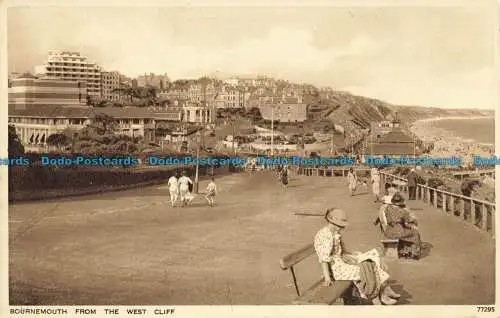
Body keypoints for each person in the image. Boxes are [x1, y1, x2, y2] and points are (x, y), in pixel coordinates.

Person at [314, 208, 401, 305]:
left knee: (372, 259)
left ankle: (383, 291)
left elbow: (342, 250)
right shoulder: (325, 235)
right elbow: (324, 259)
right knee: (366, 269)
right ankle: (378, 297)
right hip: (335, 268)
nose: (341, 228)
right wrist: (327, 278)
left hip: (342, 260)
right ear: (331, 222)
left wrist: (351, 255)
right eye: (339, 226)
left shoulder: (334, 232)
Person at [383, 194, 422, 259]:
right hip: (398, 232)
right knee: (415, 233)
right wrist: (414, 222)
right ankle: (414, 252)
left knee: (407, 232)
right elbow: (407, 222)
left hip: (389, 231)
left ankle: (404, 250)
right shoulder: (403, 211)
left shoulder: (387, 208)